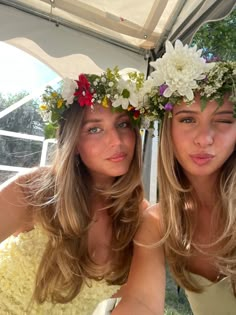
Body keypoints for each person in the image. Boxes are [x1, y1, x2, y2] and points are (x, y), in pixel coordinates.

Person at [0, 67, 151, 314]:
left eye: (123, 124)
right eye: (94, 129)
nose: (117, 141)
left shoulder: (140, 217)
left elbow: (139, 302)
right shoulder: (34, 190)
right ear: (74, 143)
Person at [129, 40, 235, 315]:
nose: (204, 139)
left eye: (224, 120)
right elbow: (140, 302)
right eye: (188, 119)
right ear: (168, 130)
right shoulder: (157, 222)